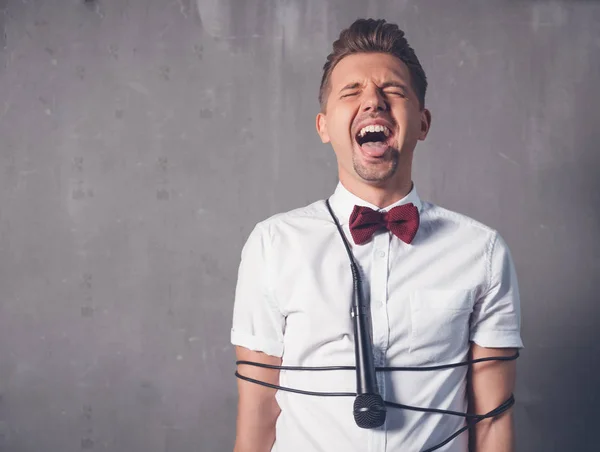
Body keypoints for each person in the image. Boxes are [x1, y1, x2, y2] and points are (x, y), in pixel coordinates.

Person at [230, 18, 523, 452]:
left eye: (394, 91)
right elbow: (256, 417)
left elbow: (494, 422)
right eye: (352, 92)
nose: (373, 101)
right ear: (324, 126)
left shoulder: (482, 251)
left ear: (422, 123)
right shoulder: (272, 245)